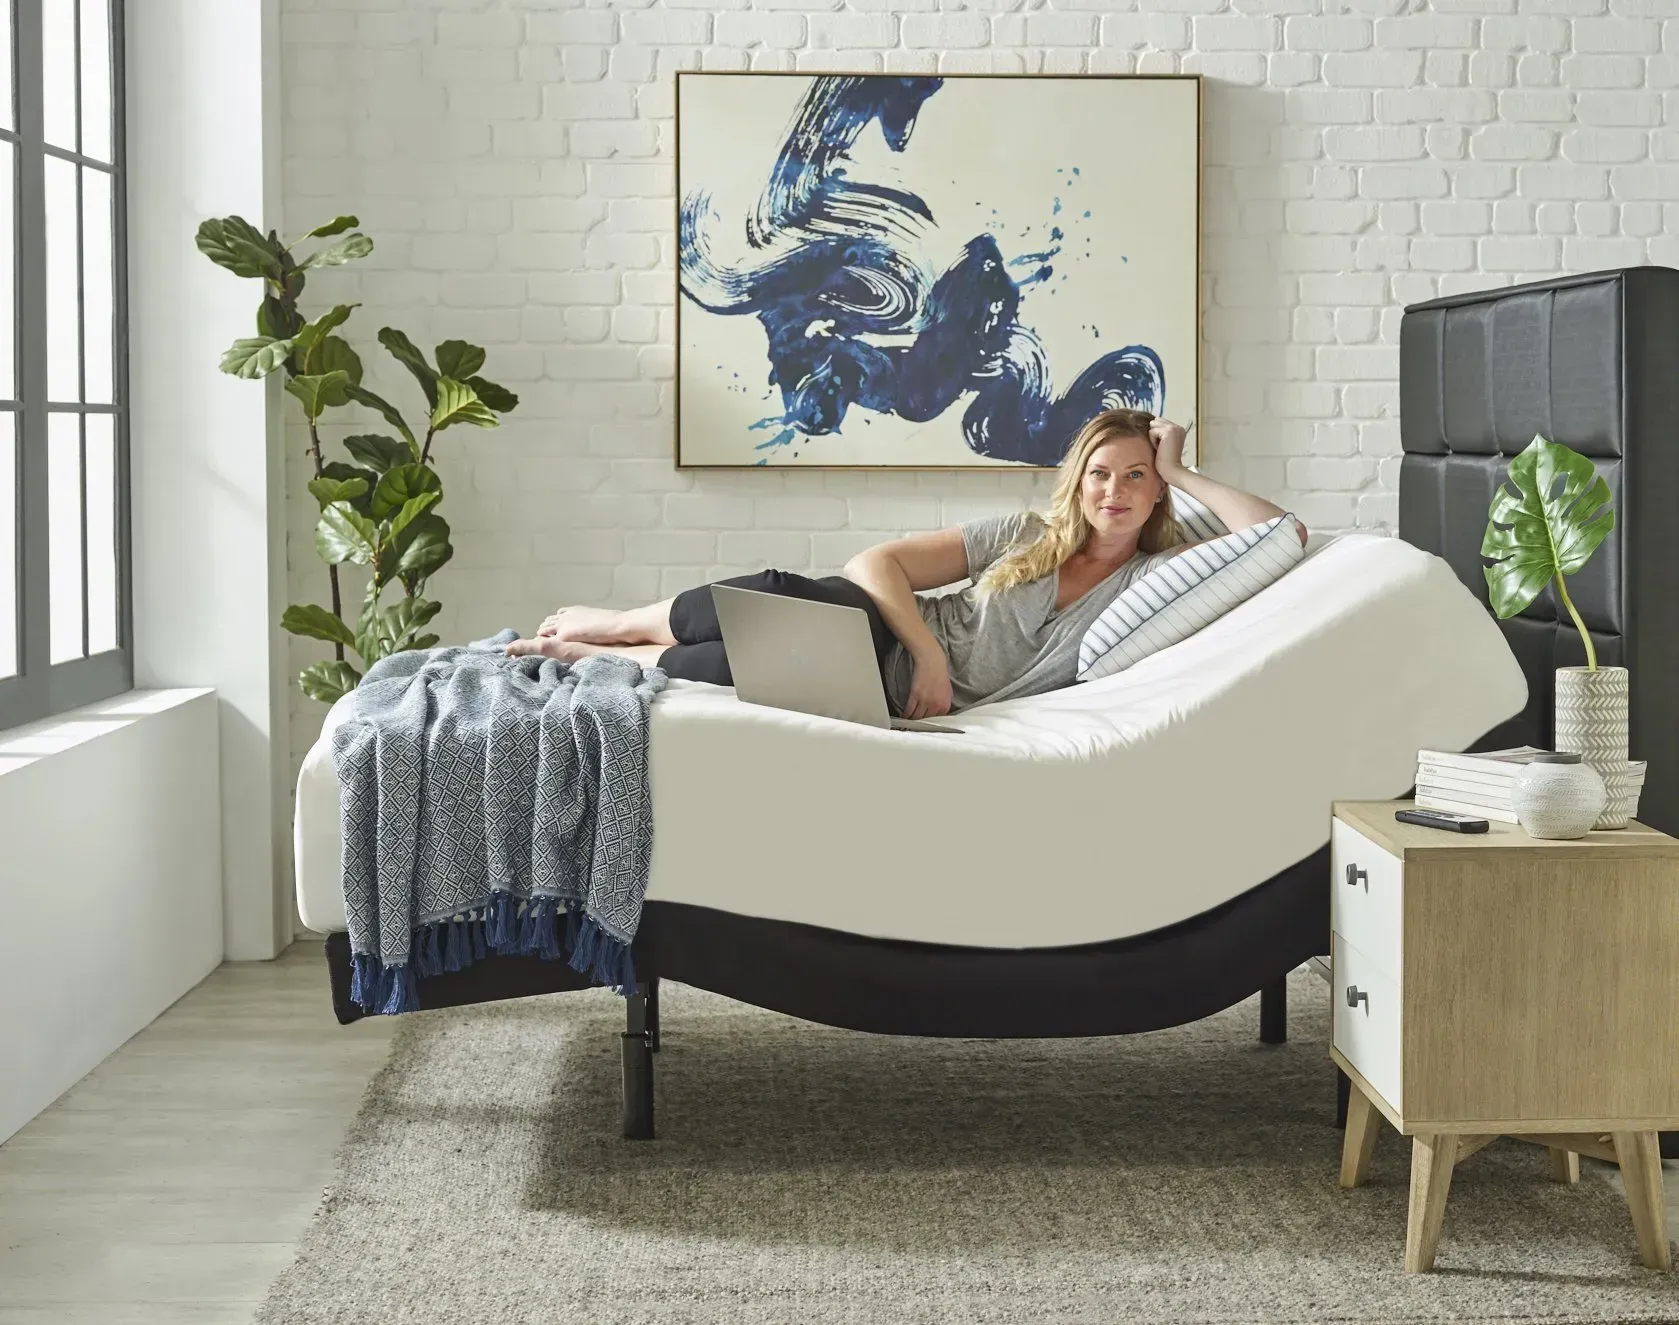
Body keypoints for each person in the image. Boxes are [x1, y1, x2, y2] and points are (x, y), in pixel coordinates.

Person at [510, 409, 1305, 720]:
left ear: (1156, 489)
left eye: (1135, 475)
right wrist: (926, 653)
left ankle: (603, 654)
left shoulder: (1150, 579)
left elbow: (1279, 534)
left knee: (732, 667)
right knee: (781, 595)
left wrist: (1180, 466)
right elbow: (876, 561)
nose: (1115, 490)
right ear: (1078, 481)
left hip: (885, 686)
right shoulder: (1024, 533)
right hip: (890, 630)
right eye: (1101, 473)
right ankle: (618, 622)